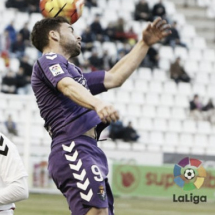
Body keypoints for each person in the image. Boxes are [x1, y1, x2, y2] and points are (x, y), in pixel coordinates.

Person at [30, 16, 170, 215]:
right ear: (53, 35)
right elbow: (67, 86)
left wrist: (143, 44)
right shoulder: (49, 59)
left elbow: (114, 78)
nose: (78, 36)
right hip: (71, 146)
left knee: (101, 212)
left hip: (88, 148)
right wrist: (98, 104)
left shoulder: (75, 74)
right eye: (70, 30)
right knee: (96, 211)